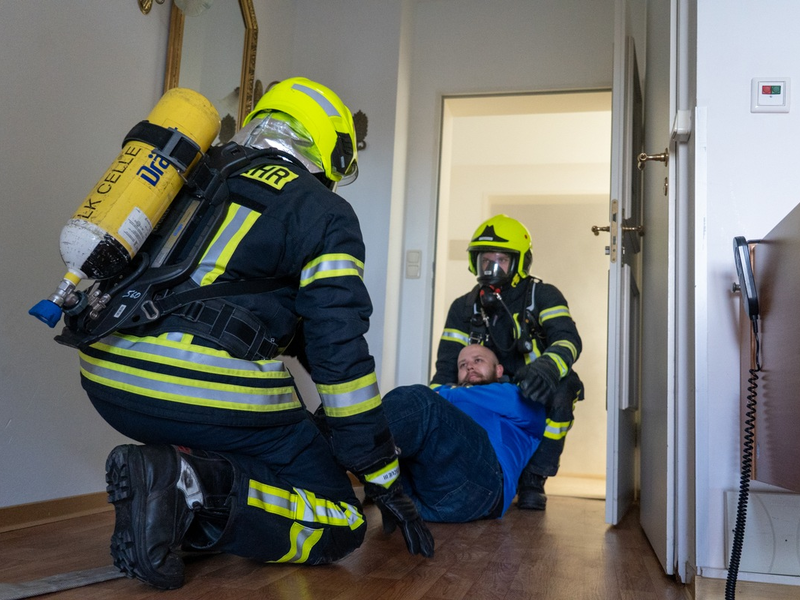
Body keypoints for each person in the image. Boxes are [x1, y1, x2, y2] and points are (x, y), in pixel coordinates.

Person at [77, 77, 433, 590]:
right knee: (338, 517)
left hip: (106, 377)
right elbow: (339, 355)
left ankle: (172, 498)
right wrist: (381, 474)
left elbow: (297, 334)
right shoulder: (325, 211)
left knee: (257, 437)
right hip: (196, 387)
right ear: (327, 147)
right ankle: (189, 484)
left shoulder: (192, 173)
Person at [431, 214, 584, 511]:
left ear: (520, 263)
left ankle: (534, 478)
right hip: (487, 388)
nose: (491, 268)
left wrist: (548, 368)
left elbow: (568, 339)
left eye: (500, 260)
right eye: (485, 260)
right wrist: (434, 404)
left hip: (536, 384)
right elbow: (447, 364)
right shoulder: (464, 307)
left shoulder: (544, 295)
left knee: (565, 391)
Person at [381, 344, 546, 521]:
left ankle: (364, 457)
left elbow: (429, 399)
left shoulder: (515, 395)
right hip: (425, 497)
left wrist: (441, 394)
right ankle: (376, 475)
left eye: (478, 360)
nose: (469, 366)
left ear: (498, 370)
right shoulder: (444, 397)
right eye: (462, 365)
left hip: (483, 488)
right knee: (402, 400)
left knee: (419, 399)